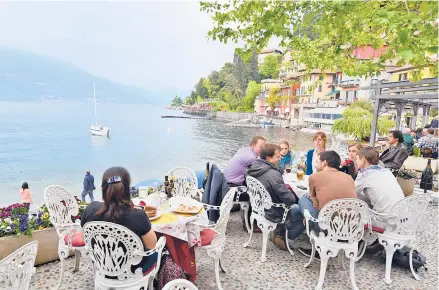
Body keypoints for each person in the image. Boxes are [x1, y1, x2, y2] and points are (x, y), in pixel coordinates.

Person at [81, 167, 158, 275]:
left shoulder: (90, 209)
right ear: (128, 189)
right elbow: (152, 246)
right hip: (132, 272)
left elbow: (83, 238)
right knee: (161, 251)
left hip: (102, 268)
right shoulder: (138, 215)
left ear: (102, 188)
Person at [297, 150, 357, 258]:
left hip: (326, 228)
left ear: (324, 163)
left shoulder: (315, 177)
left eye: (318, 161)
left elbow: (316, 205)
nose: (316, 164)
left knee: (303, 199)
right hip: (349, 229)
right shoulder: (349, 178)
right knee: (309, 200)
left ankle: (308, 223)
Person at [246, 143, 300, 250]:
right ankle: (284, 236)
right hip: (271, 211)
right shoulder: (273, 174)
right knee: (299, 208)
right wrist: (295, 197)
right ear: (268, 158)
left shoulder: (251, 168)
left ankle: (278, 233)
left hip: (257, 207)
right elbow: (289, 200)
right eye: (277, 157)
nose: (279, 159)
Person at [355, 147, 404, 228]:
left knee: (352, 212)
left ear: (363, 159)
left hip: (384, 220)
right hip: (401, 217)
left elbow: (351, 192)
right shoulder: (386, 171)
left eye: (357, 159)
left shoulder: (364, 174)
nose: (356, 162)